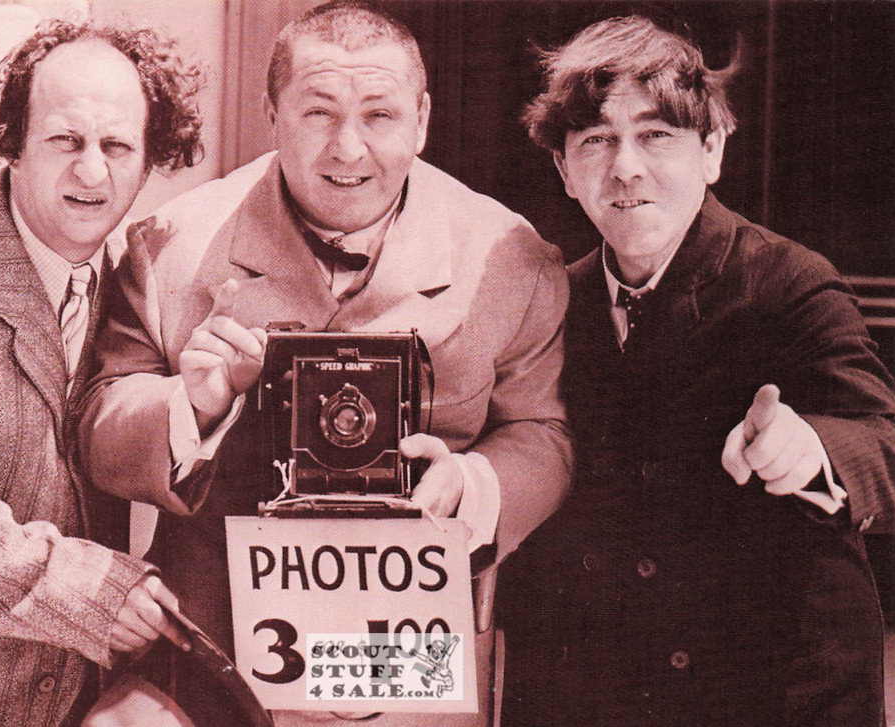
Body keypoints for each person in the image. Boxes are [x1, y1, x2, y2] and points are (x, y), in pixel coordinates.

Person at [79, 1, 572, 722]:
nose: (348, 149)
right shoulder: (170, 245)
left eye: (380, 115)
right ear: (270, 112)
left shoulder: (511, 259)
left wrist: (468, 483)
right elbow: (100, 423)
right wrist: (193, 406)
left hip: (406, 649)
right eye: (318, 114)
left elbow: (544, 433)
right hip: (213, 637)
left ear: (423, 119)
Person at [501, 15, 895, 727]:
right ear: (563, 169)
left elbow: (886, 439)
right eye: (596, 140)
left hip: (776, 692)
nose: (625, 167)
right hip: (610, 691)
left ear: (712, 149)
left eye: (657, 135)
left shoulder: (790, 282)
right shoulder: (558, 295)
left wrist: (815, 451)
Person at [0, 19, 205, 726]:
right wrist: (95, 590)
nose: (93, 172)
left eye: (118, 146)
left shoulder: (136, 288)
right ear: (12, 143)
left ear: (150, 161)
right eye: (65, 141)